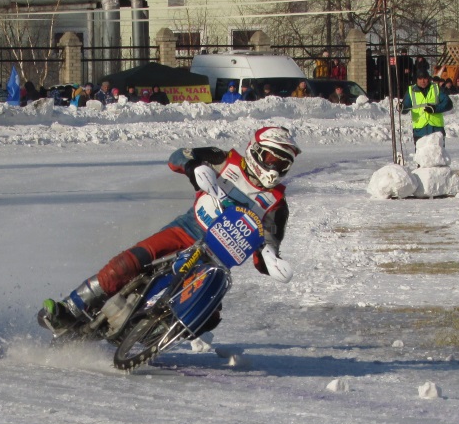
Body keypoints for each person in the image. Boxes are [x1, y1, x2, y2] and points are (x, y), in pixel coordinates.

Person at [39, 126, 301, 337]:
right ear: (256, 150)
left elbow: (269, 243)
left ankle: (153, 334)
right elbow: (179, 155)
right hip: (186, 231)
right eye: (271, 158)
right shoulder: (225, 159)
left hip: (217, 262)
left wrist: (271, 261)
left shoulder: (277, 203)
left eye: (282, 163)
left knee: (209, 317)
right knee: (128, 261)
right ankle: (69, 309)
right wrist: (194, 167)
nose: (274, 167)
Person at [401, 67, 452, 144]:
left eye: (425, 78)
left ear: (428, 78)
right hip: (420, 131)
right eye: (420, 78)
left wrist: (435, 108)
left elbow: (448, 104)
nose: (423, 81)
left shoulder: (436, 88)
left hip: (436, 130)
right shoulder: (411, 91)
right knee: (422, 155)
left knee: (437, 155)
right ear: (417, 79)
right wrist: (401, 107)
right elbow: (405, 108)